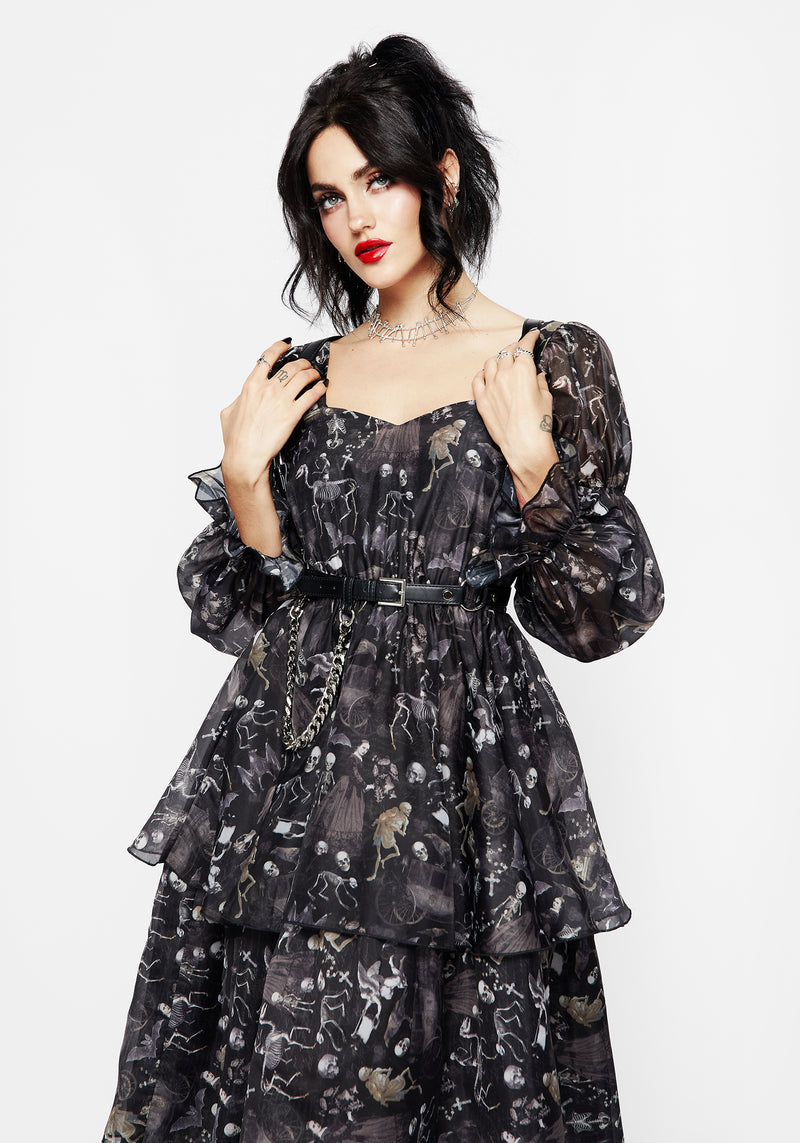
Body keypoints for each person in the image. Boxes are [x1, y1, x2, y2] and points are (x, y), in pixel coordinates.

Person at [104, 34, 664, 1143]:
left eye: (377, 179)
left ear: (440, 176)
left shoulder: (546, 363)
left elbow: (604, 613)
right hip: (294, 779)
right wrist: (247, 481)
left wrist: (535, 462)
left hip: (468, 778)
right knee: (287, 1069)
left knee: (469, 1068)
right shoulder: (300, 379)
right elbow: (253, 615)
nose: (355, 217)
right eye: (328, 197)